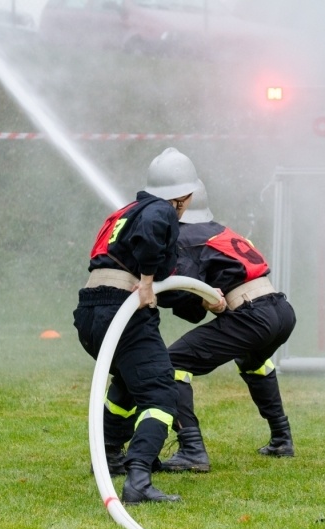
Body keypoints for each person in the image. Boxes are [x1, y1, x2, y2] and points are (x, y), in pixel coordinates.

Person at [72, 147, 199, 504]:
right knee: (160, 391)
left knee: (129, 383)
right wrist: (145, 280)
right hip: (121, 310)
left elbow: (160, 280)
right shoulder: (160, 210)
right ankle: (138, 479)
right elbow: (151, 247)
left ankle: (111, 454)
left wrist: (201, 300)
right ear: (184, 196)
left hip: (91, 311)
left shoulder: (125, 213)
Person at [156, 177, 297, 473]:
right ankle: (282, 438)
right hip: (281, 310)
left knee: (172, 363)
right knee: (253, 359)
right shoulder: (220, 230)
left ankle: (192, 450)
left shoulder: (184, 237)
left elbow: (181, 290)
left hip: (250, 314)